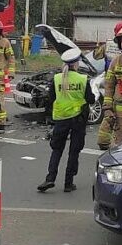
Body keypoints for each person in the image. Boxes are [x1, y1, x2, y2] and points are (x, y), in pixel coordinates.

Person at [37, 48, 96, 193]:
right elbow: (90, 99)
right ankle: (68, 183)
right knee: (74, 151)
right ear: (76, 64)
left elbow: (50, 99)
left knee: (57, 149)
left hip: (61, 118)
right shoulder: (82, 79)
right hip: (78, 120)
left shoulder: (57, 78)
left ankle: (50, 178)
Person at [96, 20, 122, 150]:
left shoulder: (108, 46)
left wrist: (100, 46)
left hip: (113, 83)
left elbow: (96, 55)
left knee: (111, 114)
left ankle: (105, 141)